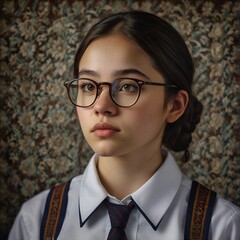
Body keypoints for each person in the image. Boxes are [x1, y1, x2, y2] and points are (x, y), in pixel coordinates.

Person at [8, 11, 240, 240]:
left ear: (175, 105)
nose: (101, 106)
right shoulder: (35, 221)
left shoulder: (222, 227)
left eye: (128, 86)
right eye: (89, 86)